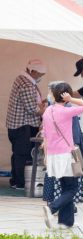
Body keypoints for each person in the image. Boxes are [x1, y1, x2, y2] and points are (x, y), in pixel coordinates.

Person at [39, 84, 83, 229]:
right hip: (66, 155)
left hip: (54, 155)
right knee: (72, 188)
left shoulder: (48, 111)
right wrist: (72, 99)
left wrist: (46, 153)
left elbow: (45, 133)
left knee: (65, 187)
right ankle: (52, 208)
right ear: (65, 95)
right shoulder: (66, 111)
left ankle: (66, 222)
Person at [6, 59, 46, 190]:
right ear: (33, 71)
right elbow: (32, 109)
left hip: (15, 125)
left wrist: (41, 103)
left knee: (17, 154)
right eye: (40, 74)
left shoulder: (21, 78)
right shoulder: (27, 85)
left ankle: (15, 180)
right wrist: (47, 110)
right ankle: (21, 183)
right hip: (23, 126)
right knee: (22, 155)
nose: (41, 77)